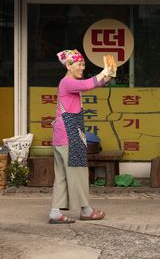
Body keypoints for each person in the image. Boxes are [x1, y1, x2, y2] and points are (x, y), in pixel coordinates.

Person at [48, 49, 116, 224]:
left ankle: (56, 213)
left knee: (62, 175)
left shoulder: (70, 84)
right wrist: (103, 72)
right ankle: (86, 210)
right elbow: (88, 85)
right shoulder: (67, 83)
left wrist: (109, 74)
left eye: (83, 64)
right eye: (79, 64)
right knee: (78, 173)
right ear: (69, 66)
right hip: (70, 136)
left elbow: (97, 84)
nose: (82, 68)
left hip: (63, 136)